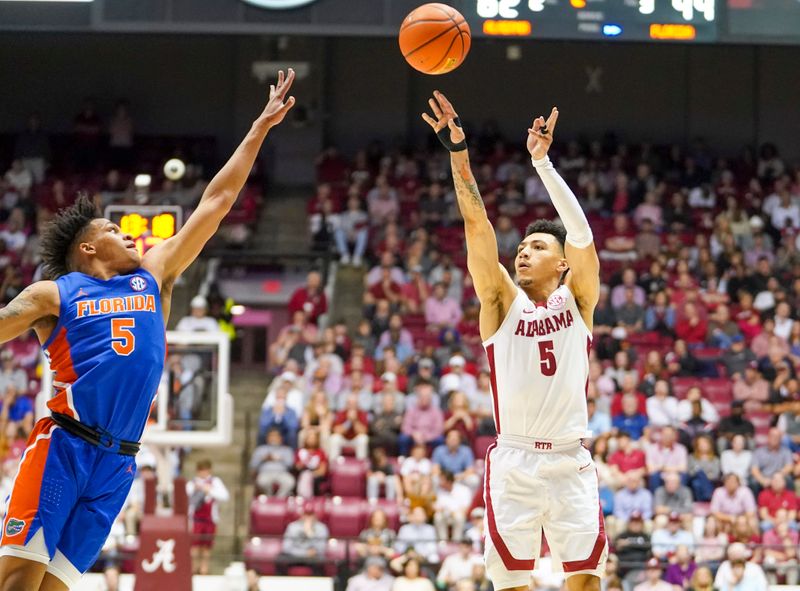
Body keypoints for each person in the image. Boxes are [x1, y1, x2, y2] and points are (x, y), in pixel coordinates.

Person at [0, 69, 295, 590]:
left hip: (120, 463)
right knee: (19, 580)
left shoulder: (153, 276)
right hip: (65, 446)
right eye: (113, 229)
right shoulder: (55, 294)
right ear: (88, 248)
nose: (127, 232)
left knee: (55, 587)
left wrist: (259, 129)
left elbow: (215, 202)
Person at [423, 94, 605, 591]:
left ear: (562, 262)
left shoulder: (579, 300)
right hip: (517, 460)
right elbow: (477, 227)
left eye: (538, 247)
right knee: (514, 585)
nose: (524, 252)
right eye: (522, 247)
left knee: (587, 581)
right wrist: (458, 152)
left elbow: (583, 236)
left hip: (571, 458)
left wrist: (541, 163)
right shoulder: (502, 301)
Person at [187, 459, 230, 575]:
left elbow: (225, 496)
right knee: (195, 545)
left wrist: (209, 490)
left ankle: (204, 568)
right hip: (196, 519)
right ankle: (193, 567)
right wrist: (196, 489)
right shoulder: (192, 483)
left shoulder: (215, 482)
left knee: (206, 545)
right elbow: (187, 498)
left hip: (210, 519)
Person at [278, 500, 329, 577]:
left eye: (310, 514)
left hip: (312, 559)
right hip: (294, 556)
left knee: (321, 561)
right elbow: (286, 548)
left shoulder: (321, 528)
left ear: (315, 515)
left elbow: (320, 549)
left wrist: (310, 533)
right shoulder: (292, 526)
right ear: (302, 514)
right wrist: (304, 554)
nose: (308, 517)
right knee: (279, 559)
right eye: (306, 514)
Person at [249, 428, 296, 497]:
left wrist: (280, 459)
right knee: (262, 481)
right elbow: (253, 465)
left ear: (280, 438)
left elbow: (290, 464)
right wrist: (263, 459)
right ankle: (269, 497)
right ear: (267, 438)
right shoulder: (260, 449)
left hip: (282, 473)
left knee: (290, 482)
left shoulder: (286, 450)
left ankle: (279, 498)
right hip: (265, 473)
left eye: (275, 436)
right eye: (271, 436)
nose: (273, 438)